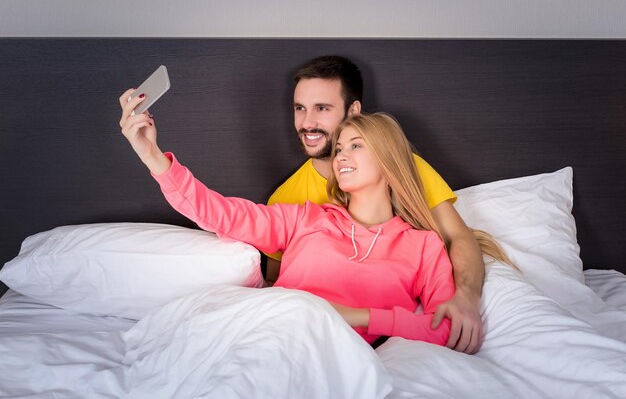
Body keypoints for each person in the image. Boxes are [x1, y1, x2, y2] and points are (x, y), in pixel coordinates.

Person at [119, 90, 455, 346]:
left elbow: (444, 328)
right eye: (339, 148)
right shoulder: (304, 219)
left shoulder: (423, 246)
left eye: (356, 146)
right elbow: (220, 213)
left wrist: (357, 317)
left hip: (329, 351)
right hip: (268, 332)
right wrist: (153, 158)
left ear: (388, 159)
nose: (340, 156)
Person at [267, 55, 487, 354]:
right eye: (300, 108)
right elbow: (274, 282)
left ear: (353, 111)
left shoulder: (401, 168)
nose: (307, 123)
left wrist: (466, 297)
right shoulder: (286, 197)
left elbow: (458, 236)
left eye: (322, 108)